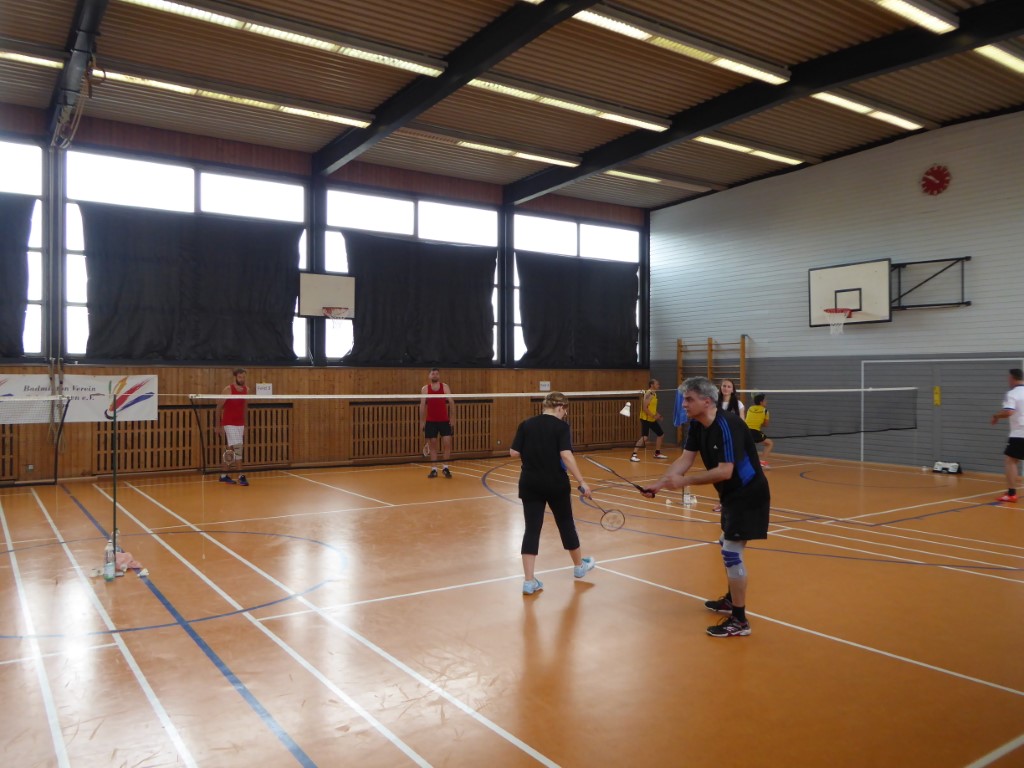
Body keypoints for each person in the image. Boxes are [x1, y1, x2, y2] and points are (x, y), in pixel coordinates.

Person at [645, 377, 770, 638]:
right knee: (725, 542)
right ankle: (731, 600)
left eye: (689, 399)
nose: (684, 404)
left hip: (749, 494)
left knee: (731, 553)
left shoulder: (727, 425)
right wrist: (661, 483)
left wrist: (684, 482)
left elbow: (725, 471)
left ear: (707, 401)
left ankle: (740, 620)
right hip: (730, 495)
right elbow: (685, 459)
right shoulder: (696, 425)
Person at [510, 391, 596, 595]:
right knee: (566, 523)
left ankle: (529, 582)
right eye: (565, 411)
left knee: (531, 529)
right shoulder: (561, 427)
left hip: (530, 483)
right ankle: (579, 567)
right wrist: (582, 481)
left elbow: (514, 452)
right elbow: (566, 455)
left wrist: (535, 452)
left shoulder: (526, 424)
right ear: (560, 407)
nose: (565, 415)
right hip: (555, 483)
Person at [991, 368, 1024, 503]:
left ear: (1012, 378)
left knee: (1010, 461)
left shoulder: (1012, 393)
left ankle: (1011, 493)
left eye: (1008, 378)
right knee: (1013, 460)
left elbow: (1008, 412)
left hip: (1019, 433)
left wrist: (996, 416)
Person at [215, 367, 248, 486]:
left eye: (243, 377)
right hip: (229, 423)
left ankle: (224, 475)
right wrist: (218, 426)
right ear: (235, 377)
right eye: (240, 377)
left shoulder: (246, 390)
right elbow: (218, 407)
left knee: (230, 449)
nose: (242, 379)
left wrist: (245, 425)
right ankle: (241, 476)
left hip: (240, 424)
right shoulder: (228, 389)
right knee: (238, 447)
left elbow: (245, 407)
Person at [420, 367, 455, 478]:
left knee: (447, 444)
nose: (434, 375)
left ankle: (445, 468)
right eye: (433, 374)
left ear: (439, 376)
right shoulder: (425, 389)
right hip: (431, 422)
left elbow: (451, 402)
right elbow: (422, 406)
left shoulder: (445, 387)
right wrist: (422, 421)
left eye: (436, 374)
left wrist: (452, 418)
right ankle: (434, 469)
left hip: (444, 421)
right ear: (429, 376)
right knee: (433, 446)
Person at [631, 378, 667, 462]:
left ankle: (657, 453)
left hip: (651, 419)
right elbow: (644, 408)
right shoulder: (649, 394)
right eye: (657, 384)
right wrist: (654, 416)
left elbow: (651, 408)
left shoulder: (654, 394)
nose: (659, 385)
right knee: (645, 437)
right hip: (646, 419)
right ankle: (634, 455)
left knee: (661, 434)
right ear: (652, 385)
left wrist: (658, 415)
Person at [745, 393, 774, 469]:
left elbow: (749, 419)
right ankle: (762, 462)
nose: (766, 401)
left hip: (745, 430)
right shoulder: (765, 411)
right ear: (761, 402)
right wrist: (760, 422)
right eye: (765, 400)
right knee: (769, 443)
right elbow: (766, 424)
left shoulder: (750, 408)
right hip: (755, 432)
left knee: (746, 447)